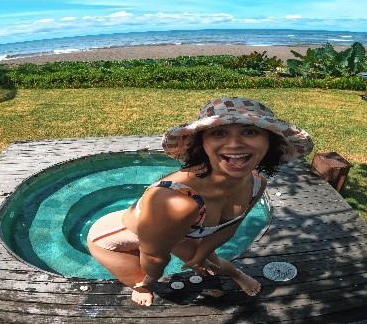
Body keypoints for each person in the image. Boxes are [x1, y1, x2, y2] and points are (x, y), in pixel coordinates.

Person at [87, 97, 313, 306]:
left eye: (250, 131)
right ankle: (145, 286)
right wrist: (148, 283)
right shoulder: (176, 202)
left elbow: (230, 227)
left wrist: (200, 256)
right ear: (201, 142)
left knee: (209, 262)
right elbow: (154, 256)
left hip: (175, 233)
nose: (235, 144)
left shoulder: (255, 184)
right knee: (143, 278)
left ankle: (235, 274)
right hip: (114, 240)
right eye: (219, 133)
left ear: (270, 142)